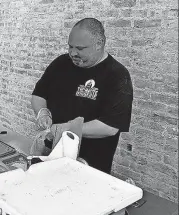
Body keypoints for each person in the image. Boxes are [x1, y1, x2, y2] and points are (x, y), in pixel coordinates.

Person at [31, 18, 133, 174]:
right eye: (70, 46)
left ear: (99, 44)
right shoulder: (60, 64)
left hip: (90, 164)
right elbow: (39, 94)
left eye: (80, 48)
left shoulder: (117, 75)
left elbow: (111, 127)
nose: (73, 53)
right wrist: (42, 112)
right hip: (51, 154)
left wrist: (69, 129)